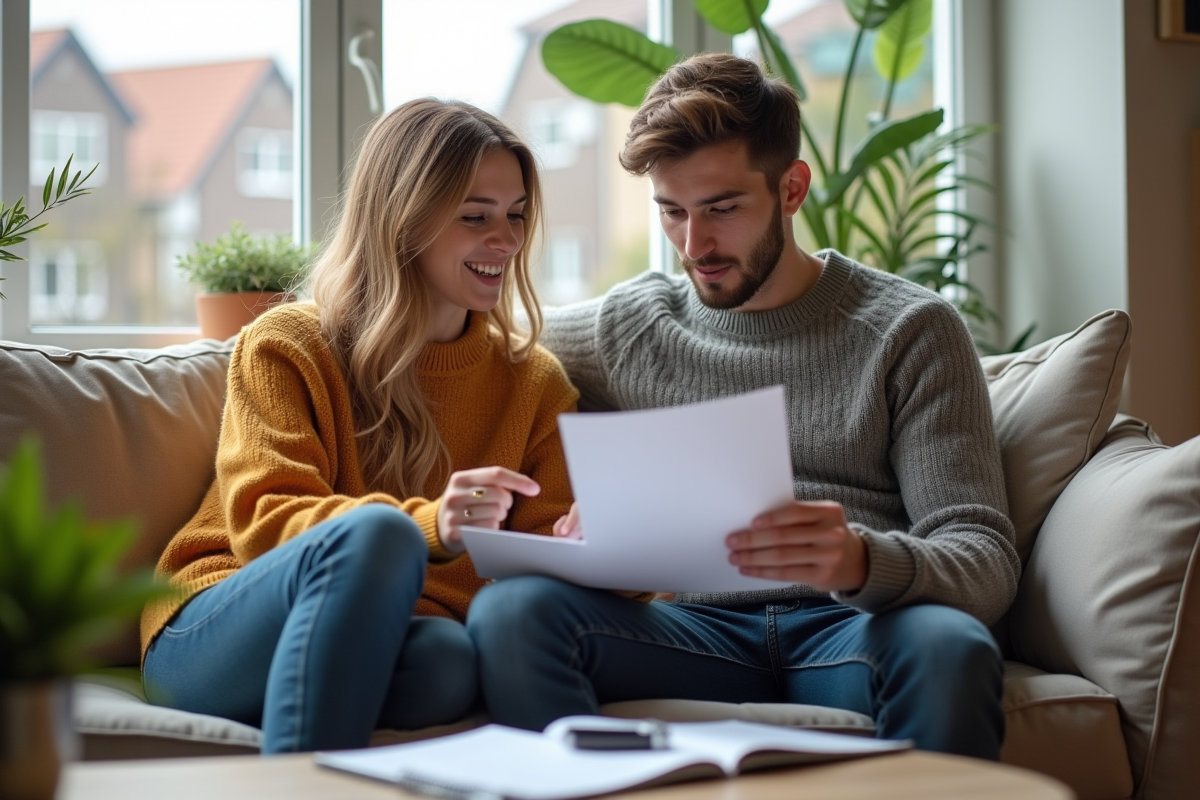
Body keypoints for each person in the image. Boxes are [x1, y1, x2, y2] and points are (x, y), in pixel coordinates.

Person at [466, 54, 1020, 760]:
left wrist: (859, 560)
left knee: (949, 648)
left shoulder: (910, 330)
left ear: (792, 189)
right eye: (671, 211)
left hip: (852, 629)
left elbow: (983, 559)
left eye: (722, 209)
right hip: (691, 634)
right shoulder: (628, 328)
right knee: (514, 612)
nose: (694, 245)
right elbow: (470, 344)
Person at [140, 99, 578, 753]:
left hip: (394, 633)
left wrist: (604, 547)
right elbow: (266, 520)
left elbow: (551, 562)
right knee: (380, 535)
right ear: (403, 219)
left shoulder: (535, 382)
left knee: (447, 664)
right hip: (218, 623)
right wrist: (432, 524)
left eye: (516, 215)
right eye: (475, 216)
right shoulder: (288, 344)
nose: (508, 240)